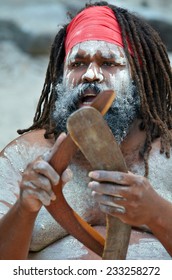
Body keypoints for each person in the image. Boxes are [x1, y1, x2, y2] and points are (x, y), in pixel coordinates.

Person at [0, 1, 172, 260]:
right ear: (61, 76)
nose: (91, 74)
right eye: (78, 63)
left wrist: (156, 212)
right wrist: (25, 208)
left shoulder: (167, 158)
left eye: (108, 63)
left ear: (138, 76)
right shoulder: (24, 156)